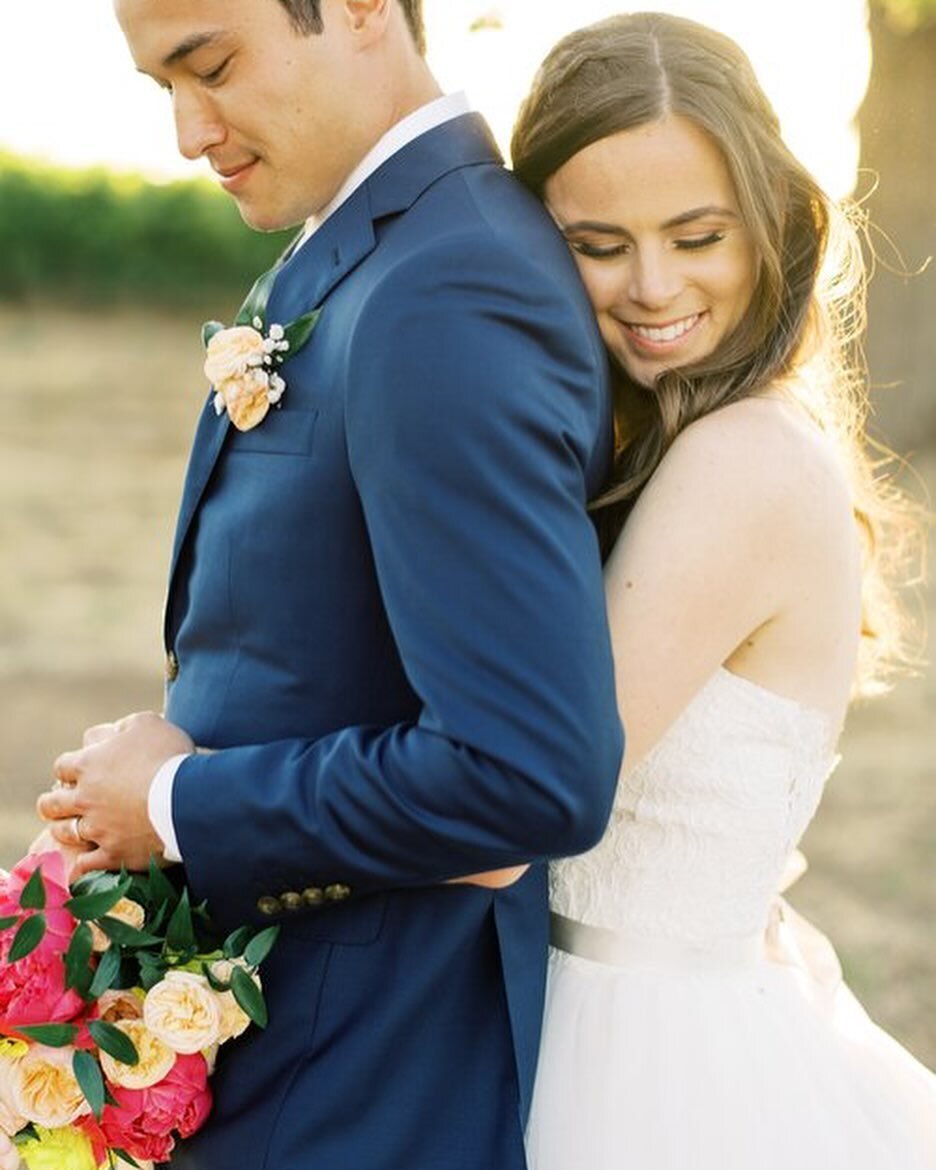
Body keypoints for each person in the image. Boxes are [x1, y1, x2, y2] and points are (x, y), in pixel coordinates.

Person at [33, 1, 623, 1167]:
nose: (189, 133)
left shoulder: (450, 281)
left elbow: (523, 770)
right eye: (164, 88)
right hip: (277, 1046)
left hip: (362, 1077)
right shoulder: (360, 253)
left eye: (212, 67)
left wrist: (176, 805)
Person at [508, 12, 935, 1169]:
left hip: (643, 1057)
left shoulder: (740, 459)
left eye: (698, 235)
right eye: (598, 243)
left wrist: (195, 801)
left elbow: (523, 798)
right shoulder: (671, 436)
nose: (654, 288)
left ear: (775, 224)